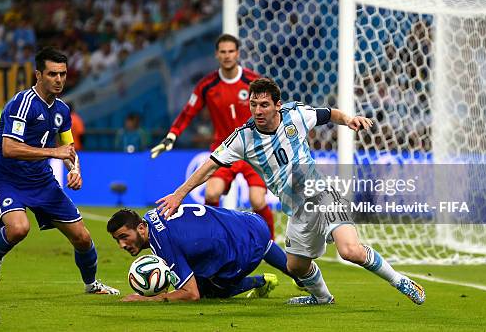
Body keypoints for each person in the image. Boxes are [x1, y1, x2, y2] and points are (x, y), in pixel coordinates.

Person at [157, 78, 426, 306]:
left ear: (277, 104)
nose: (258, 111)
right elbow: (209, 166)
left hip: (321, 194)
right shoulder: (242, 138)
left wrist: (348, 119)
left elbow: (328, 113)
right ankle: (322, 299)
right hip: (297, 210)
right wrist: (179, 194)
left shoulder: (296, 114)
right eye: (253, 105)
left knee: (350, 250)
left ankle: (399, 280)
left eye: (264, 105)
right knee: (295, 267)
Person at [0, 47, 119, 296]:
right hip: (9, 180)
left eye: (63, 74)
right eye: (53, 74)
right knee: (19, 228)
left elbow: (68, 148)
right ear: (38, 75)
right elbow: (9, 148)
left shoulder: (63, 110)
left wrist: (75, 169)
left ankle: (91, 285)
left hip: (42, 182)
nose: (59, 80)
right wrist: (54, 153)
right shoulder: (23, 104)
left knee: (83, 238)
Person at [150, 34, 275, 237]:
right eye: (223, 52)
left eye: (231, 51)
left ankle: (269, 243)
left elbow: (271, 110)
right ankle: (215, 238)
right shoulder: (207, 85)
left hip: (254, 149)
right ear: (217, 54)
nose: (227, 56)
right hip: (224, 148)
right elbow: (188, 112)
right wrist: (172, 136)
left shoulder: (253, 82)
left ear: (238, 54)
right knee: (212, 193)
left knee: (258, 200)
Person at [107, 205, 297, 302]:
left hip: (243, 247)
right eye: (117, 240)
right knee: (299, 271)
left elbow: (191, 294)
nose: (122, 244)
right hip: (251, 222)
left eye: (124, 236)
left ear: (141, 228)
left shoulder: (164, 244)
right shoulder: (151, 215)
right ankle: (306, 278)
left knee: (209, 291)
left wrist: (146, 298)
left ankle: (261, 281)